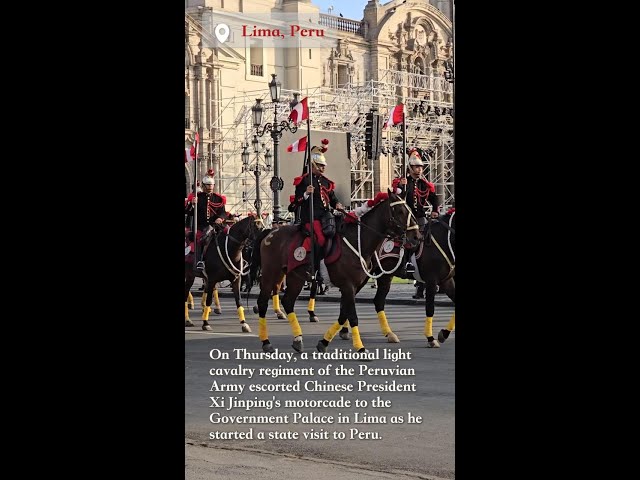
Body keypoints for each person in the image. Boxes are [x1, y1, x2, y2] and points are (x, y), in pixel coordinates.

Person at [291, 141, 343, 261]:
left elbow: (333, 198)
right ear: (313, 165)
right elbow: (296, 202)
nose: (323, 167)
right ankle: (316, 266)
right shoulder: (304, 181)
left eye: (324, 165)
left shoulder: (326, 181)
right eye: (320, 165)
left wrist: (338, 204)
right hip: (311, 218)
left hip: (326, 216)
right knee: (320, 238)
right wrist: (306, 194)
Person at [391, 148, 439, 276]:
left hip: (420, 217)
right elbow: (396, 198)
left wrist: (435, 210)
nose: (419, 170)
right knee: (407, 241)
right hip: (406, 218)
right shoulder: (404, 183)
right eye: (416, 167)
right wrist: (401, 186)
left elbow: (434, 198)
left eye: (420, 167)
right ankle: (406, 263)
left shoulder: (424, 185)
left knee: (428, 240)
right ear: (410, 168)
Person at [185, 169, 227, 270]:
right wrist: (192, 204)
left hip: (216, 227)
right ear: (204, 186)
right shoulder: (198, 197)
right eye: (208, 185)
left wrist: (220, 218)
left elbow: (223, 212)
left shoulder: (218, 199)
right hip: (201, 227)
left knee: (229, 237)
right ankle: (200, 261)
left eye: (211, 185)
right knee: (200, 241)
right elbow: (188, 212)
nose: (210, 187)